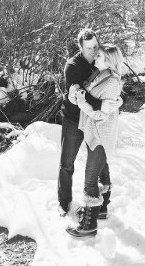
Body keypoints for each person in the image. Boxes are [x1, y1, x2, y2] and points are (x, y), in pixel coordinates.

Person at [65, 45, 124, 238]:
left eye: (99, 56)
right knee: (102, 170)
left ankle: (89, 226)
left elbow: (99, 113)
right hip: (96, 133)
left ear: (109, 61)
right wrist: (77, 95)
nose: (96, 58)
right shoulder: (99, 74)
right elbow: (92, 98)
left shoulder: (111, 82)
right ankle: (102, 209)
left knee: (90, 179)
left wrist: (81, 100)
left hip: (100, 135)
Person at [57, 28, 103, 216]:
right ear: (80, 47)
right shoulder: (73, 66)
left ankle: (100, 204)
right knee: (67, 163)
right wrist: (104, 103)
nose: (93, 51)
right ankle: (64, 202)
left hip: (94, 121)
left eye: (95, 46)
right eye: (89, 48)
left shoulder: (102, 61)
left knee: (100, 163)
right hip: (74, 120)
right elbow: (80, 95)